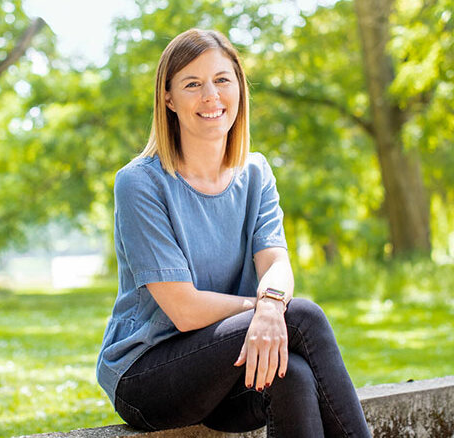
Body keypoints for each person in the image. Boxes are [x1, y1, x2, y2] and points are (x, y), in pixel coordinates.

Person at [96, 28, 371, 437]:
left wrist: (272, 303)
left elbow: (276, 261)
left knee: (291, 374)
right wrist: (265, 308)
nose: (211, 96)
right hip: (148, 375)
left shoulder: (255, 172)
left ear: (240, 88)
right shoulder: (140, 183)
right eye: (192, 84)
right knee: (303, 317)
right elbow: (185, 310)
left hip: (228, 369)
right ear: (168, 98)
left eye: (222, 80)